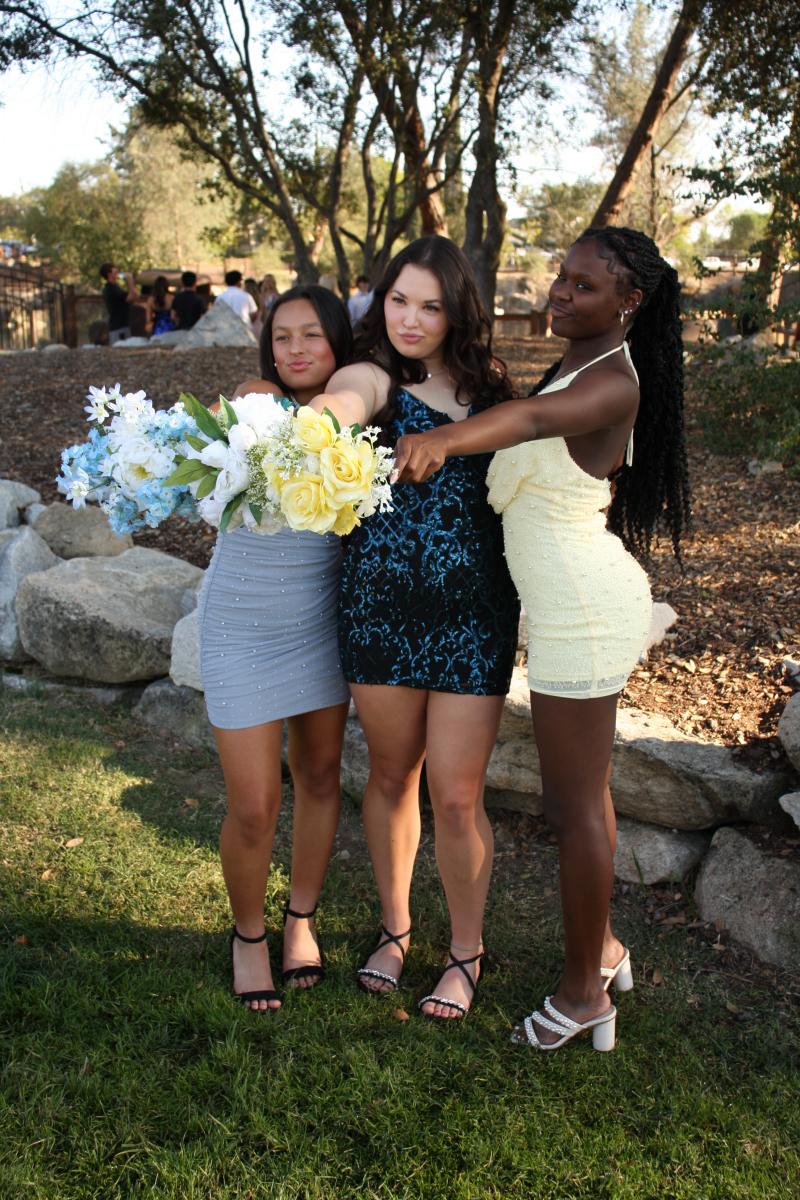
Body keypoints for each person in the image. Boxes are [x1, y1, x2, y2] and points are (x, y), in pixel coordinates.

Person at [392, 226, 691, 1051]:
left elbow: (526, 420)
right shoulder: (578, 360)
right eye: (563, 276)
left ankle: (583, 995)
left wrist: (439, 439)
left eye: (584, 286)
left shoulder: (611, 383)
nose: (560, 291)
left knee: (573, 809)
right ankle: (603, 951)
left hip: (583, 612)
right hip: (566, 604)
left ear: (629, 302)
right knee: (581, 801)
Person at [309, 235, 520, 1020]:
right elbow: (345, 399)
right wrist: (322, 417)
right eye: (399, 299)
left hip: (474, 616)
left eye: (430, 306)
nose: (410, 319)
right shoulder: (371, 375)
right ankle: (395, 929)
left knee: (457, 795)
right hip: (381, 610)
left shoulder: (496, 393)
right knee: (393, 777)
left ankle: (466, 950)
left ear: (457, 312)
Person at [196, 285, 354, 1011]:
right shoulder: (256, 401)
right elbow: (253, 410)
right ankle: (248, 934)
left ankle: (300, 922)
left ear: (338, 342)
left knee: (319, 776)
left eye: (312, 335)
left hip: (318, 623)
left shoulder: (357, 415)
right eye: (282, 335)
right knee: (256, 805)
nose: (294, 348)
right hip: (241, 625)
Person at [99, 263, 137, 344]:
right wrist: (130, 280)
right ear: (109, 274)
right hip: (119, 328)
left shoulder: (115, 287)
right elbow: (132, 296)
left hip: (122, 326)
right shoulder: (110, 289)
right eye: (115, 272)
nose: (118, 273)